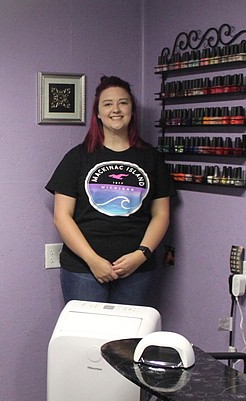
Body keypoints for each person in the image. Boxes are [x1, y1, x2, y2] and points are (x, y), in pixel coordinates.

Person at [45, 75, 175, 306]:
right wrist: (92, 260)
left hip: (137, 271)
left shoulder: (152, 158)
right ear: (98, 113)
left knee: (127, 340)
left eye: (123, 102)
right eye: (108, 104)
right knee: (86, 339)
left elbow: (161, 214)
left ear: (132, 110)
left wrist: (141, 255)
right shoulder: (77, 157)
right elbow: (61, 216)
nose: (116, 109)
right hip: (83, 270)